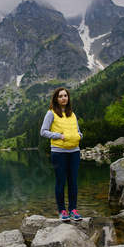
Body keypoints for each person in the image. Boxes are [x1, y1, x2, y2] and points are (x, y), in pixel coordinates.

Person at [40, 87, 83, 221]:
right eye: (60, 96)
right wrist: (59, 136)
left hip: (75, 152)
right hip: (59, 153)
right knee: (60, 183)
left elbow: (78, 130)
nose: (64, 98)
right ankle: (62, 211)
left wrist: (79, 136)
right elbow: (43, 131)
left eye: (65, 96)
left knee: (73, 182)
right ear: (56, 99)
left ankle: (73, 210)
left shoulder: (72, 114)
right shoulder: (51, 113)